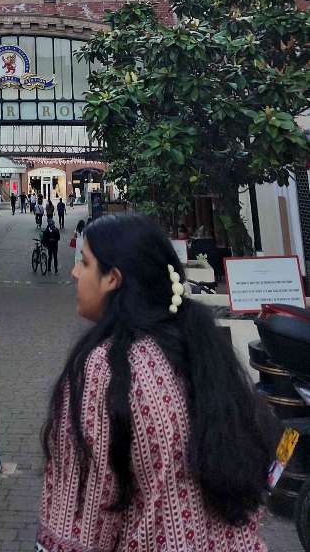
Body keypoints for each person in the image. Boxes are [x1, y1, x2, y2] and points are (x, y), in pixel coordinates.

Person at [37, 213, 276, 552]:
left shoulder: (107, 369)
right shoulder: (196, 350)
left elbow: (82, 522)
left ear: (112, 279)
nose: (74, 273)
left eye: (85, 263)